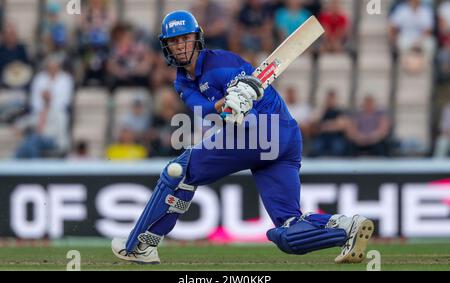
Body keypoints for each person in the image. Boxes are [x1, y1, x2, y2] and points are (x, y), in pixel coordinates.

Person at [111, 10, 374, 265]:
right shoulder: (183, 81)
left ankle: (142, 245)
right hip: (281, 140)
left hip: (265, 131)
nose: (180, 46)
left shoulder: (222, 63)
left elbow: (247, 102)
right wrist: (226, 106)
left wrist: (241, 101)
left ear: (197, 38)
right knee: (288, 231)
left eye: (184, 39)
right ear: (166, 46)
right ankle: (344, 228)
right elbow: (205, 110)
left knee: (178, 172)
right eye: (174, 41)